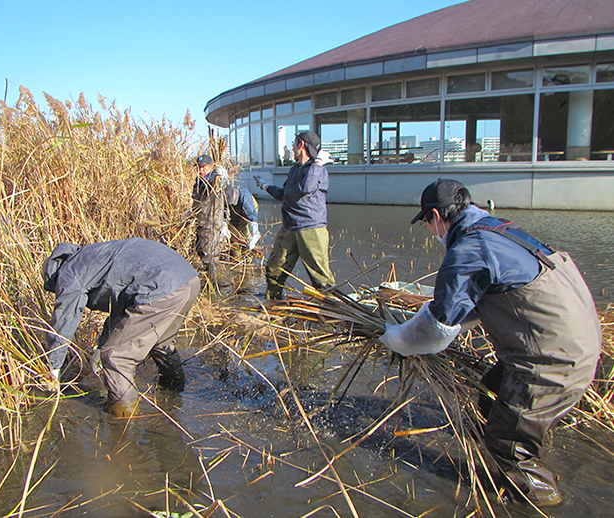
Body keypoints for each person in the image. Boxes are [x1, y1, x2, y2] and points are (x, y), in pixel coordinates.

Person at [379, 179, 601, 506]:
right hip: (576, 345)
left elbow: (436, 329)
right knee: (489, 394)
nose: (428, 229)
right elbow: (473, 304)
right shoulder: (500, 231)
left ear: (437, 216)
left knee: (506, 446)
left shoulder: (468, 250)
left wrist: (395, 338)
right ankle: (523, 442)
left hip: (553, 361)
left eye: (426, 222)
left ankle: (538, 497)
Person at [42, 238, 200, 417]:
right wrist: (99, 347)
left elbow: (64, 321)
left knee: (116, 357)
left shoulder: (69, 273)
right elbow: (123, 308)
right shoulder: (91, 257)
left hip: (162, 288)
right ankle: (175, 392)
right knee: (160, 343)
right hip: (188, 280)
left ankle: (124, 422)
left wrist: (53, 368)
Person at [254, 131, 335, 299]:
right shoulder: (294, 170)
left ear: (301, 144)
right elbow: (286, 194)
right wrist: (264, 186)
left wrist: (318, 163)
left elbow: (306, 188)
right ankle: (274, 307)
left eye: (294, 143)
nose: (292, 147)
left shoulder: (318, 169)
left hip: (311, 229)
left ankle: (330, 317)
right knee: (274, 270)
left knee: (321, 279)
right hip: (289, 228)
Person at [192, 154, 229, 272]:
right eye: (198, 167)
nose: (201, 169)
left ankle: (214, 285)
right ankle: (210, 281)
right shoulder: (199, 181)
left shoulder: (214, 180)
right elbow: (197, 201)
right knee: (201, 251)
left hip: (211, 225)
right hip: (201, 223)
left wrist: (223, 176)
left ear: (212, 166)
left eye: (204, 167)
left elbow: (222, 185)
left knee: (210, 256)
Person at [225, 183, 261, 255]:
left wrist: (254, 236)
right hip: (234, 209)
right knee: (233, 229)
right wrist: (224, 227)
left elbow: (252, 218)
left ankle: (246, 254)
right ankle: (235, 253)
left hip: (248, 211)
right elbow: (224, 213)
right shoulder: (225, 194)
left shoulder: (245, 199)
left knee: (244, 230)